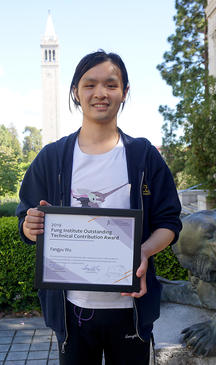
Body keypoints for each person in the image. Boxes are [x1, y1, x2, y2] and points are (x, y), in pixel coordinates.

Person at [16, 50, 182, 365]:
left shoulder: (143, 156)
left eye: (111, 84)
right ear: (76, 92)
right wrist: (30, 225)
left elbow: (169, 223)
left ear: (125, 92)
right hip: (72, 312)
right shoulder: (52, 158)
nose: (100, 93)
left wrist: (143, 251)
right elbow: (26, 219)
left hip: (130, 310)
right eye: (89, 84)